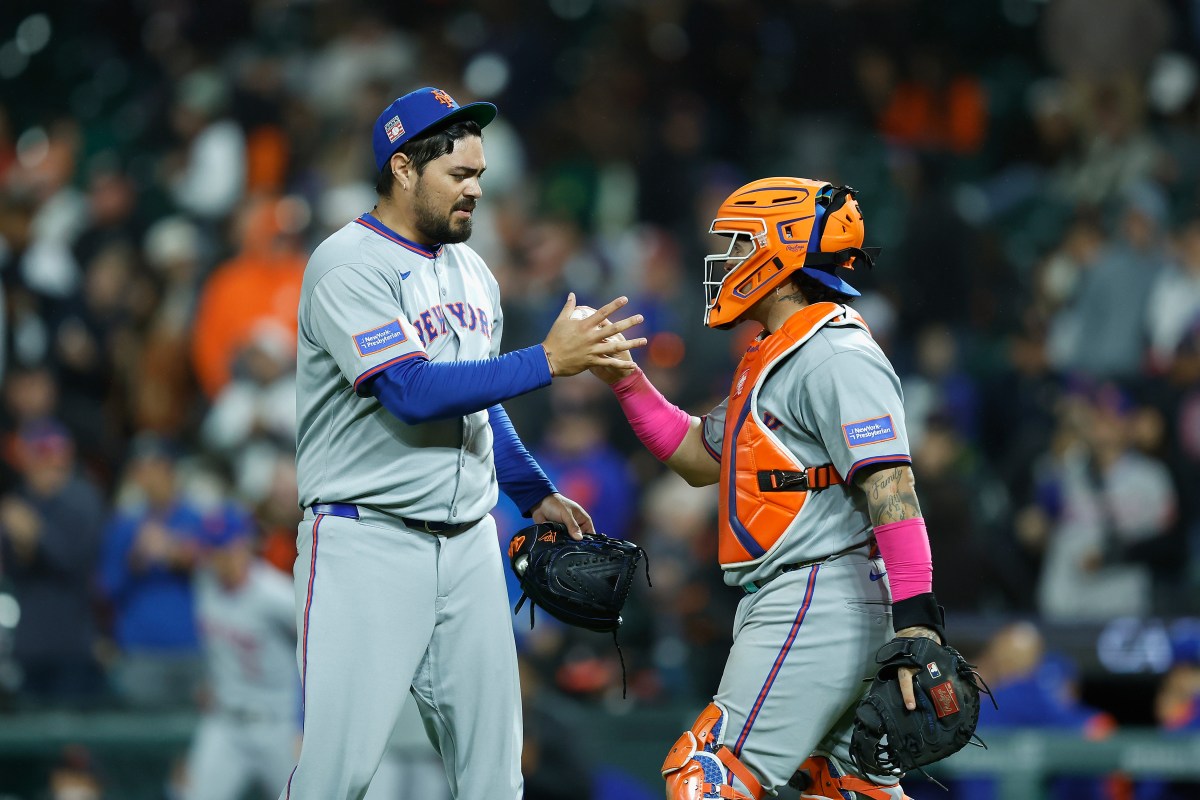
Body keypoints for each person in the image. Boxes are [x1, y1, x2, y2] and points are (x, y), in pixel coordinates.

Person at [283, 86, 645, 800]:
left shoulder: (472, 272)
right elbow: (411, 392)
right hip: (368, 541)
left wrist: (530, 490)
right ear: (404, 169)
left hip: (471, 545)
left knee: (494, 780)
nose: (477, 189)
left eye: (480, 175)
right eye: (461, 175)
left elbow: (476, 401)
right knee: (337, 776)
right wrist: (547, 360)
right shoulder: (348, 263)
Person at [593, 178, 946, 799]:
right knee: (846, 791)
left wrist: (918, 621)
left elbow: (892, 484)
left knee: (707, 775)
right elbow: (700, 456)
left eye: (737, 245)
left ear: (780, 256)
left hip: (816, 594)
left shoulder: (834, 351)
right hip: (821, 598)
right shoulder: (781, 350)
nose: (726, 261)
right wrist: (625, 378)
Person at [182, 504, 298, 800]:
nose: (222, 557)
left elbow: (319, 652)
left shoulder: (277, 594)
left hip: (277, 725)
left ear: (244, 545)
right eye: (214, 549)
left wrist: (304, 722)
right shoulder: (204, 583)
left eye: (227, 547)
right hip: (224, 723)